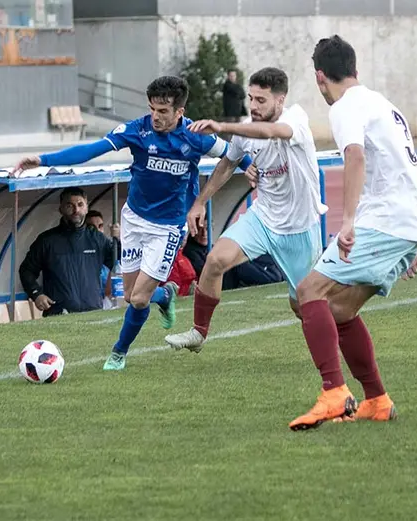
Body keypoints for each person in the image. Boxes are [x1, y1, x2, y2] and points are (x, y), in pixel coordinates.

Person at [13, 75, 251, 371]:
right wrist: (43, 160)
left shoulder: (196, 136)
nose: (155, 116)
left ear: (180, 111)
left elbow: (233, 155)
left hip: (167, 228)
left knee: (138, 298)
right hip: (135, 220)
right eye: (152, 109)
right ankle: (165, 294)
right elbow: (92, 150)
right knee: (129, 295)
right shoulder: (137, 129)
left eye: (163, 111)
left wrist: (253, 171)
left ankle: (118, 353)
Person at [288, 35, 417, 431]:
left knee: (308, 293)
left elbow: (355, 155)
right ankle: (377, 400)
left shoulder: (346, 106)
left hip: (385, 221)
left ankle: (334, 393)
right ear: (355, 69)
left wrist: (348, 222)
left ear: (320, 77)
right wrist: (409, 238)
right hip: (402, 221)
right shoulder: (383, 104)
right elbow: (410, 166)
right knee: (339, 310)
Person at [165, 67, 326, 353]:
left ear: (280, 100)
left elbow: (272, 132)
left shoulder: (295, 119)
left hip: (299, 228)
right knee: (215, 260)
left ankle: (337, 341)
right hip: (263, 218)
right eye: (250, 98)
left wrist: (222, 127)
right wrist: (199, 202)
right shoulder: (247, 129)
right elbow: (227, 164)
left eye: (261, 100)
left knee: (302, 306)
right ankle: (199, 332)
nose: (253, 106)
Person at [18, 188, 117, 316]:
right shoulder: (47, 240)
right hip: (59, 314)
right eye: (70, 206)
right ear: (61, 209)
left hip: (93, 312)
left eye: (80, 205)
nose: (76, 210)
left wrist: (119, 240)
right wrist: (36, 294)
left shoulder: (98, 239)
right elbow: (26, 270)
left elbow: (118, 263)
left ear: (86, 208)